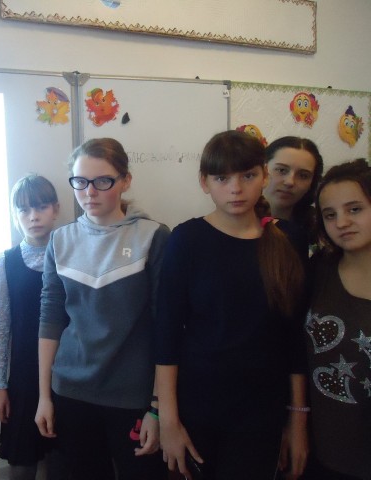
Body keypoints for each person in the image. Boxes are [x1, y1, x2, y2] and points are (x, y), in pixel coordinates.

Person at [155, 130, 309, 480]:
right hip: (197, 409)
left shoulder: (289, 238)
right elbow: (166, 334)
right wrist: (167, 420)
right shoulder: (187, 239)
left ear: (264, 176)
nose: (236, 189)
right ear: (204, 182)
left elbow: (294, 337)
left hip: (261, 415)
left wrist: (297, 420)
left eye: (248, 176)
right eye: (222, 178)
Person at [34, 138, 171, 480]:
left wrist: (158, 408)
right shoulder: (60, 240)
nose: (90, 192)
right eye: (80, 181)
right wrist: (44, 396)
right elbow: (50, 319)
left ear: (125, 181)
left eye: (103, 181)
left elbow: (165, 326)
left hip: (133, 397)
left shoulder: (153, 236)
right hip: (70, 392)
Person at [303, 158, 371, 480]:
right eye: (330, 215)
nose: (342, 222)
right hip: (326, 451)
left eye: (355, 209)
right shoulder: (317, 271)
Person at [0, 174, 61, 480]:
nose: (33, 216)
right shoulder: (6, 262)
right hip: (23, 376)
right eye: (24, 210)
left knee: (64, 460)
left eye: (41, 207)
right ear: (14, 215)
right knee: (22, 462)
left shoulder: (70, 253)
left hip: (67, 372)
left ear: (55, 209)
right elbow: (2, 326)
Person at [264, 136, 324, 250]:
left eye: (303, 175)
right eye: (281, 170)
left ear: (312, 183)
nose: (290, 182)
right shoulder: (236, 223)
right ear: (262, 170)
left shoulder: (319, 229)